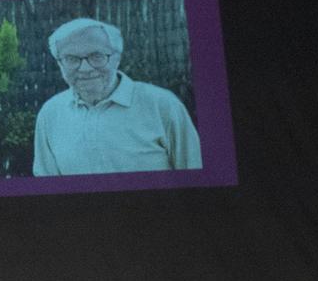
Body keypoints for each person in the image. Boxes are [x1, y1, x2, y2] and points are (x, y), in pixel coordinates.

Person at [32, 17, 201, 175]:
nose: (84, 68)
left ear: (117, 58)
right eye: (70, 59)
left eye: (97, 56)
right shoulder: (50, 114)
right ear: (60, 63)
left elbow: (194, 172)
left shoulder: (162, 105)